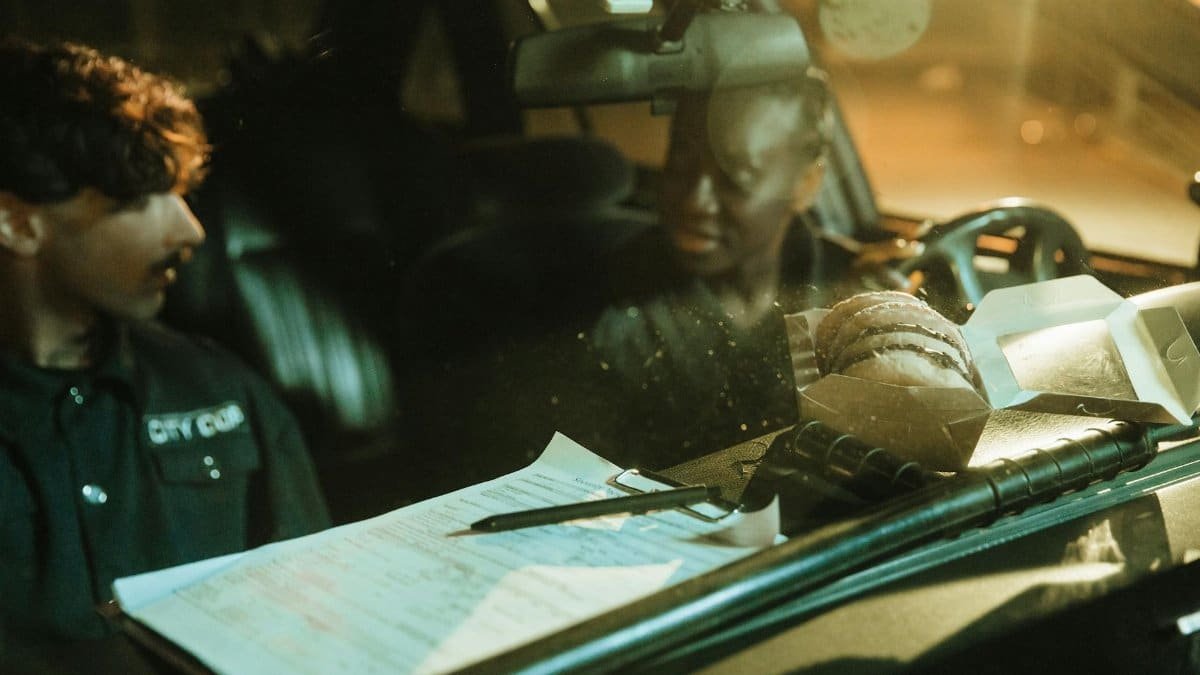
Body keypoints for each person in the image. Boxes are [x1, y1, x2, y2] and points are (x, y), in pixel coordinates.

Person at [0, 37, 330, 652]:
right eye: (138, 199)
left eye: (181, 193)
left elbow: (319, 613)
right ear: (18, 222)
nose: (190, 229)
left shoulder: (221, 389)